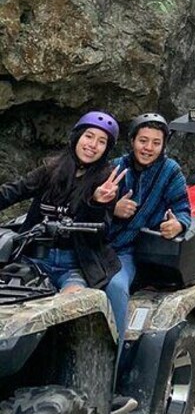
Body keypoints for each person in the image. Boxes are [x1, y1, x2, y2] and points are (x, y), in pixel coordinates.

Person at [0, 111, 123, 292]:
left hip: (75, 265)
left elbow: (99, 235)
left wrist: (96, 203)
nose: (93, 145)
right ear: (77, 137)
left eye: (101, 141)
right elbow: (13, 191)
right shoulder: (51, 170)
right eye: (89, 136)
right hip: (36, 258)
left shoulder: (106, 183)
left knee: (72, 305)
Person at [105, 113, 191, 337]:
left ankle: (120, 354)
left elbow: (183, 209)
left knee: (115, 286)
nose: (148, 148)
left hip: (132, 250)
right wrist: (113, 208)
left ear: (163, 146)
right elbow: (89, 203)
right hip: (99, 243)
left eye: (156, 143)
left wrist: (177, 225)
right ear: (132, 141)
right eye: (143, 141)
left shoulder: (170, 171)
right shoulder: (115, 167)